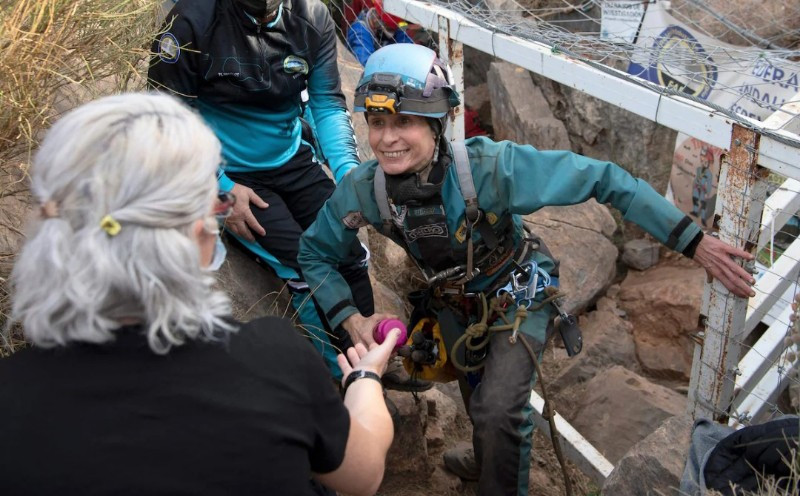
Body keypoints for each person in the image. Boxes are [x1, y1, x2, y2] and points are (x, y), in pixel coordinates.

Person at [298, 44, 758, 495]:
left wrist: (694, 242)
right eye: (377, 123)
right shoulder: (366, 191)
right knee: (477, 393)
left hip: (517, 291)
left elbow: (605, 178)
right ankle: (487, 458)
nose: (387, 138)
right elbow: (314, 252)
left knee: (499, 409)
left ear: (437, 123)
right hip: (454, 304)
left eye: (404, 121)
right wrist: (350, 318)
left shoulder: (489, 170)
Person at [0, 92, 398, 496]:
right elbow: (361, 477)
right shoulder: (272, 361)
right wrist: (364, 378)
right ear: (197, 238)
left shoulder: (11, 396)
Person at [147, 0, 428, 393]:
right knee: (300, 263)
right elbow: (164, 115)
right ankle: (343, 374)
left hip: (291, 159)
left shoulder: (311, 16)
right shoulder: (192, 20)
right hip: (228, 171)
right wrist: (218, 188)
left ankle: (373, 359)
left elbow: (328, 103)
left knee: (348, 248)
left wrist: (350, 178)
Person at [347, 0, 414, 66]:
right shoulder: (359, 31)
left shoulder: (395, 24)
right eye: (390, 28)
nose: (394, 30)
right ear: (378, 20)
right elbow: (366, 64)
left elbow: (409, 50)